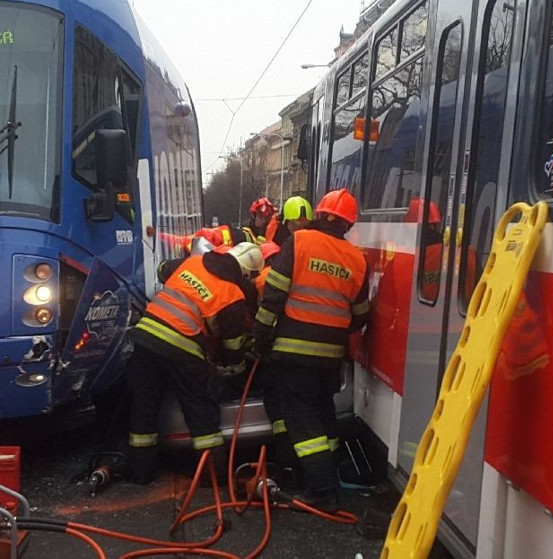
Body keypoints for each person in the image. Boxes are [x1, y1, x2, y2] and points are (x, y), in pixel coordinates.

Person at [253, 189, 370, 510]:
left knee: (304, 424)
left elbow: (273, 294)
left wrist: (260, 337)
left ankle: (322, 492)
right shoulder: (357, 260)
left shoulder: (300, 242)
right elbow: (360, 315)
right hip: (330, 358)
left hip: (293, 355)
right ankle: (331, 477)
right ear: (347, 224)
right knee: (323, 415)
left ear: (321, 215)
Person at [127, 242, 264, 485]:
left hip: (145, 337)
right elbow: (234, 347)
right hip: (182, 347)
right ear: (245, 274)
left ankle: (141, 472)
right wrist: (237, 373)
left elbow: (162, 270)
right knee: (201, 411)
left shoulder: (194, 262)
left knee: (143, 406)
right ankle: (212, 474)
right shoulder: (232, 295)